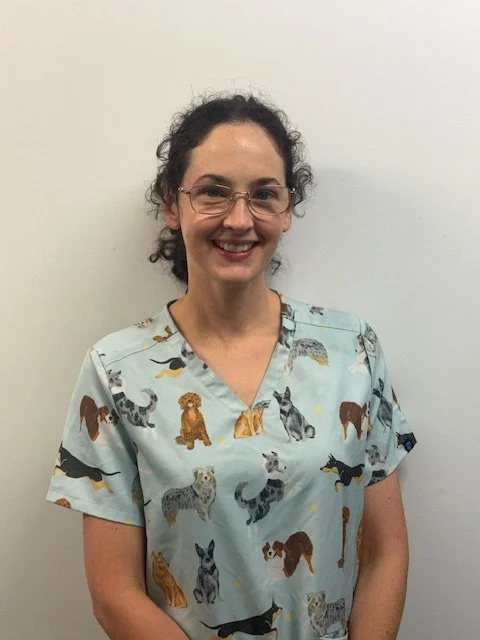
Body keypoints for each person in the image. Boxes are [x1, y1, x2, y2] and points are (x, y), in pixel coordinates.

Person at [46, 93, 417, 640]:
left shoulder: (352, 350)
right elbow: (113, 593)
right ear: (173, 204)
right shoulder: (116, 371)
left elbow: (386, 551)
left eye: (263, 194)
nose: (239, 220)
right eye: (214, 192)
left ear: (287, 210)